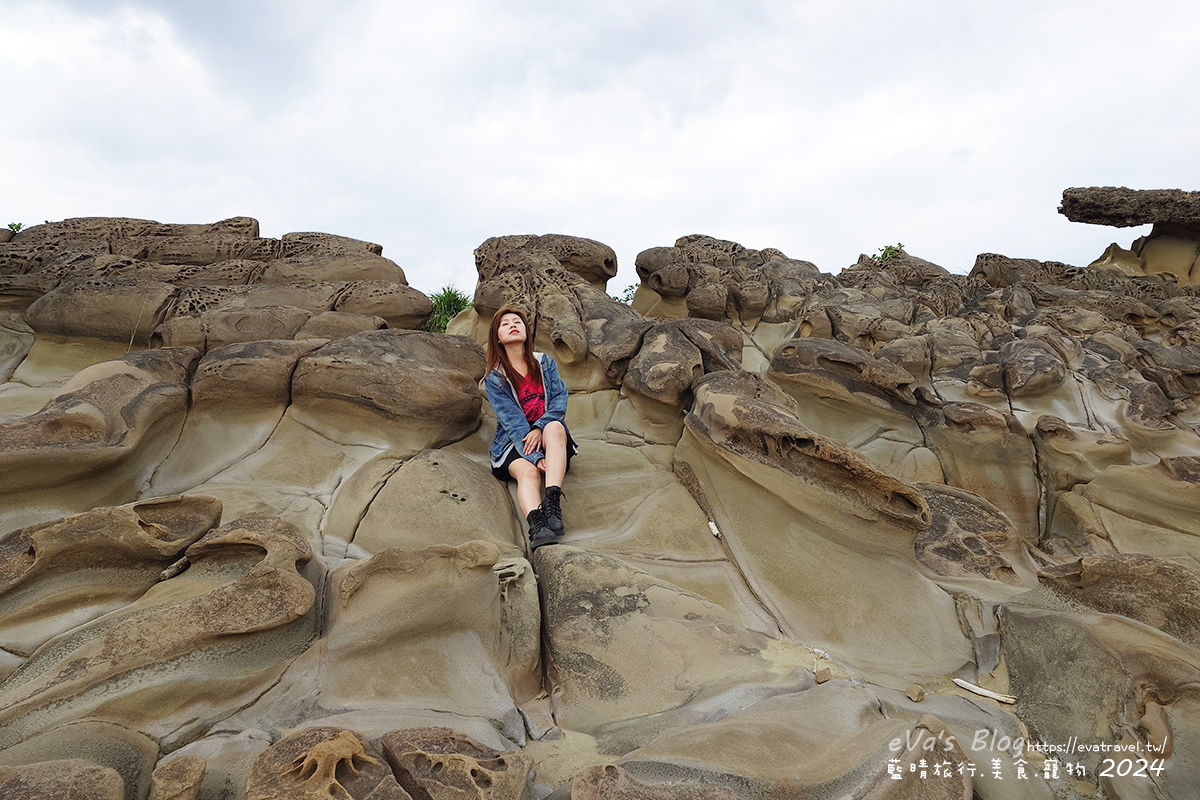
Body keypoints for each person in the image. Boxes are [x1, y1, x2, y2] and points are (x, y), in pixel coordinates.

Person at [484, 305, 578, 550]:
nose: (512, 325)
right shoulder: (496, 378)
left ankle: (553, 502)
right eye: (505, 324)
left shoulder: (544, 362)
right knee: (529, 473)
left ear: (526, 330)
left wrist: (540, 427)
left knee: (555, 427)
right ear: (498, 338)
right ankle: (538, 526)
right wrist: (535, 457)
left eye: (517, 321)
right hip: (513, 442)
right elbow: (512, 421)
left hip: (547, 436)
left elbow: (559, 399)